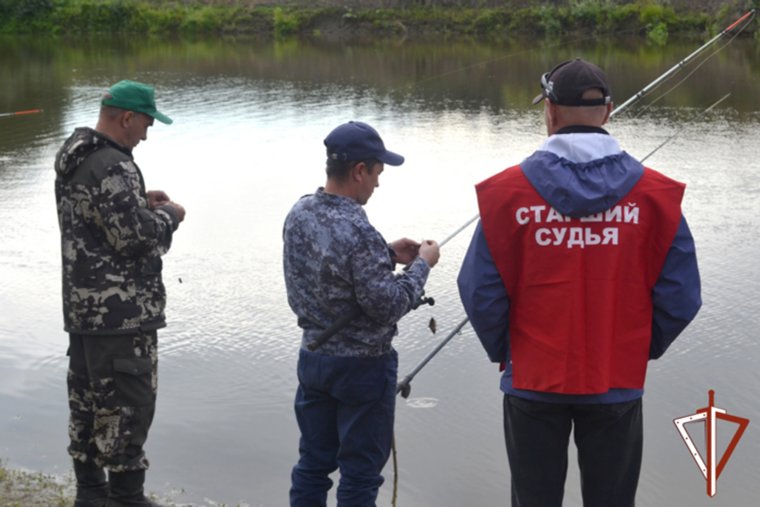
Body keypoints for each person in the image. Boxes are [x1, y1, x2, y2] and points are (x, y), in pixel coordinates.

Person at [457, 58, 701, 507]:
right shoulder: (655, 196)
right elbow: (681, 296)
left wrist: (505, 349)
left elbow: (480, 291)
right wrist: (634, 343)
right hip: (617, 378)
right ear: (607, 113)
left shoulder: (507, 194)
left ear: (549, 112)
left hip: (532, 377)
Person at [283, 120, 441, 506]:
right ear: (358, 171)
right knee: (360, 473)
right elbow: (387, 306)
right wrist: (423, 265)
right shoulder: (357, 228)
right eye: (377, 173)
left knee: (313, 465)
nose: (378, 183)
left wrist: (386, 253)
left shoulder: (300, 212)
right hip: (362, 370)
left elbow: (330, 271)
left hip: (314, 359)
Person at [54, 80, 185, 507]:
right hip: (121, 315)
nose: (146, 134)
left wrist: (136, 201)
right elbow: (134, 240)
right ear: (127, 118)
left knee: (89, 406)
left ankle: (91, 494)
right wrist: (168, 216)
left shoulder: (77, 155)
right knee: (128, 409)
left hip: (84, 313)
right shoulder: (113, 164)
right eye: (146, 123)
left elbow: (94, 215)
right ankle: (127, 499)